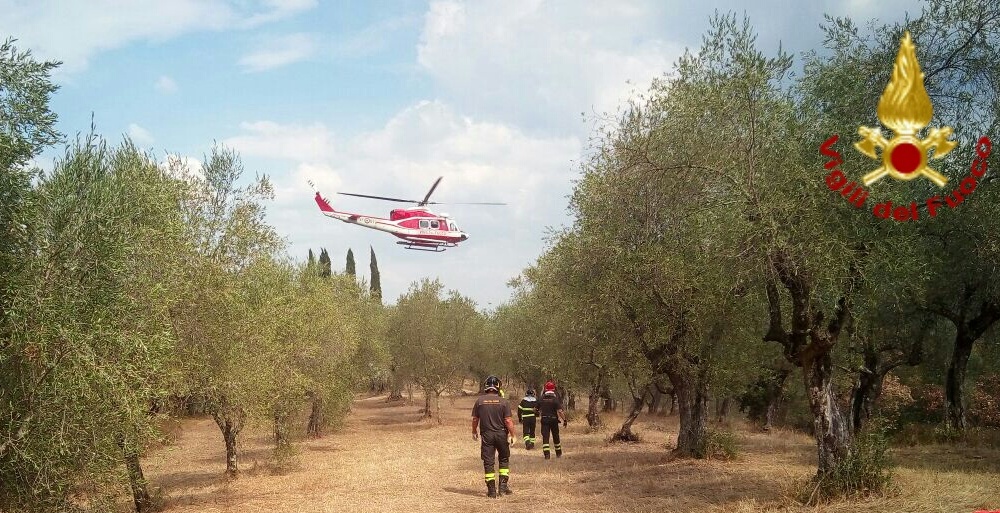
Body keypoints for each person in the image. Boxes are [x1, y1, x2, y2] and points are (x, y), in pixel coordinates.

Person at [472, 375, 516, 498]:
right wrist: (513, 435)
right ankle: (502, 488)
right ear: (498, 386)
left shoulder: (479, 401)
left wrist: (474, 431)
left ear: (486, 386)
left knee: (488, 462)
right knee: (503, 459)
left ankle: (491, 491)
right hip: (501, 434)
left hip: (486, 435)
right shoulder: (503, 402)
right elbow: (508, 420)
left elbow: (475, 419)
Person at [538, 380, 566, 459]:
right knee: (556, 436)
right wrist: (564, 420)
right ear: (553, 389)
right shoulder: (555, 399)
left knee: (545, 437)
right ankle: (558, 453)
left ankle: (547, 455)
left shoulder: (541, 398)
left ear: (545, 389)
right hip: (554, 420)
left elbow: (535, 409)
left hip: (544, 420)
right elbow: (560, 411)